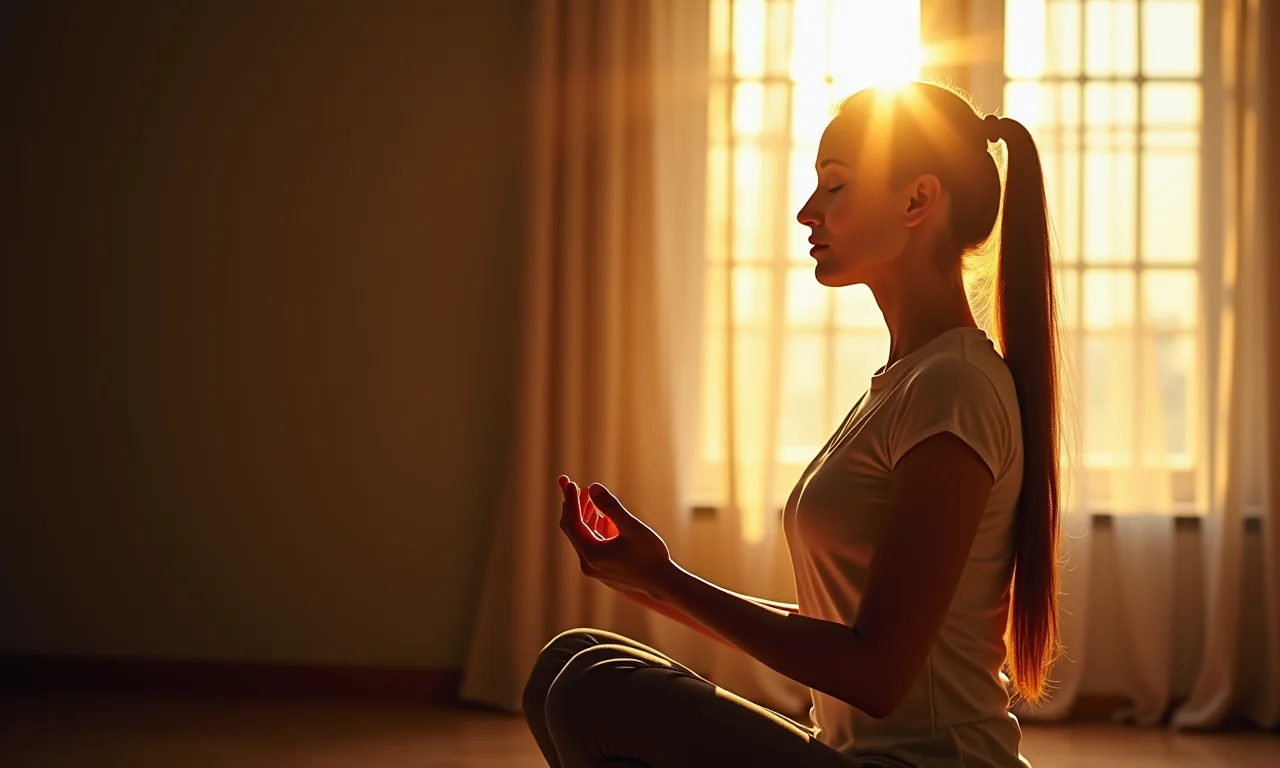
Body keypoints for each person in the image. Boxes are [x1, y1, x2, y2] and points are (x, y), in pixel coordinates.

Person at [522, 80, 1062, 768]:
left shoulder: (952, 387)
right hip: (842, 751)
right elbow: (846, 632)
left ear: (917, 200)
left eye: (834, 187)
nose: (808, 212)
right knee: (570, 658)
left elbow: (875, 674)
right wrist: (650, 578)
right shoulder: (912, 381)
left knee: (592, 690)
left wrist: (666, 579)